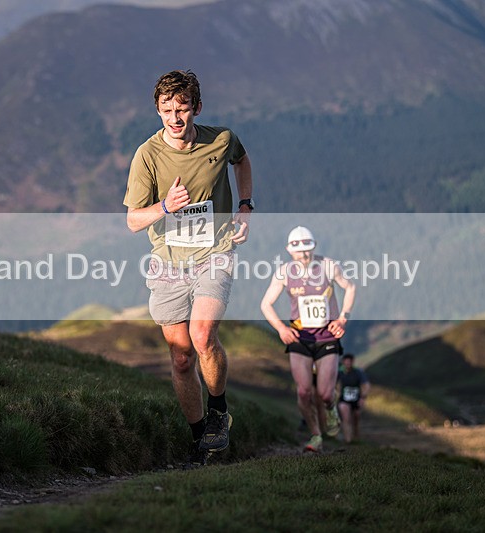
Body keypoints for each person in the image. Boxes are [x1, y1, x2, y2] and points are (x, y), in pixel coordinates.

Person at [124, 70, 254, 467]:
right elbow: (132, 220)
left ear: (197, 107)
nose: (175, 118)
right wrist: (165, 206)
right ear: (158, 110)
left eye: (182, 109)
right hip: (167, 262)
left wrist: (246, 206)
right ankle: (202, 439)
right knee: (181, 358)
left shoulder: (222, 139)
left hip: (214, 252)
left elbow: (242, 160)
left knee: (202, 335)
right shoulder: (147, 155)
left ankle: (218, 409)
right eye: (167, 110)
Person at [260, 226, 356, 453]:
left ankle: (330, 408)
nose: (303, 256)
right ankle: (315, 435)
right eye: (299, 252)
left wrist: (343, 318)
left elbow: (350, 287)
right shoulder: (284, 272)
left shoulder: (328, 266)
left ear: (313, 248)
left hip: (327, 336)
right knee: (303, 391)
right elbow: (265, 304)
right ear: (289, 251)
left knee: (324, 393)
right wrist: (281, 329)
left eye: (307, 251)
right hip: (299, 336)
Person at [337, 353, 370, 443]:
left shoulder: (358, 372)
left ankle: (356, 436)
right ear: (343, 362)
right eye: (346, 362)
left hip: (356, 399)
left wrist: (363, 397)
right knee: (346, 418)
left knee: (356, 418)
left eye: (349, 362)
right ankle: (348, 439)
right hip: (344, 399)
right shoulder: (339, 372)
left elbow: (366, 384)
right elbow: (332, 383)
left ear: (352, 362)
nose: (348, 364)